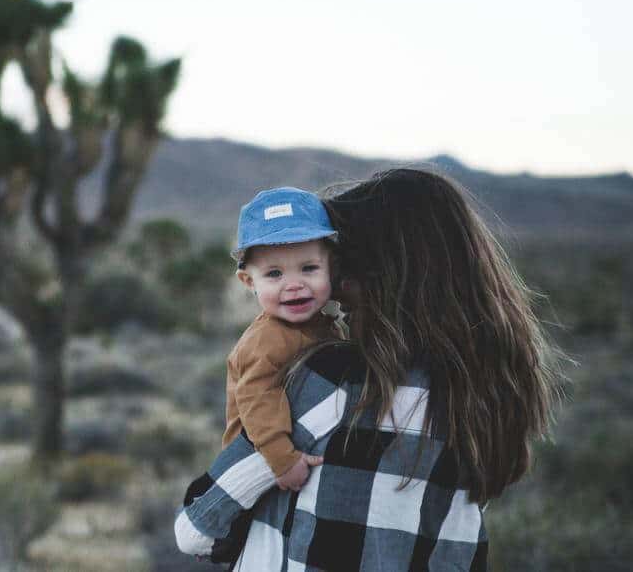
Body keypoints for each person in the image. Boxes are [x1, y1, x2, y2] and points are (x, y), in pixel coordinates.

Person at [176, 168, 562, 570]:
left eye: (332, 266)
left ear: (387, 270)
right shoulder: (485, 397)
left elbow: (195, 531)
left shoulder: (335, 383)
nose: (335, 288)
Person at [224, 187, 343, 493]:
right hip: (256, 463)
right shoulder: (267, 339)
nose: (293, 285)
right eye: (274, 274)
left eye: (309, 268)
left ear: (332, 267)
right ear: (249, 281)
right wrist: (283, 459)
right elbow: (255, 395)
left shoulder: (324, 325)